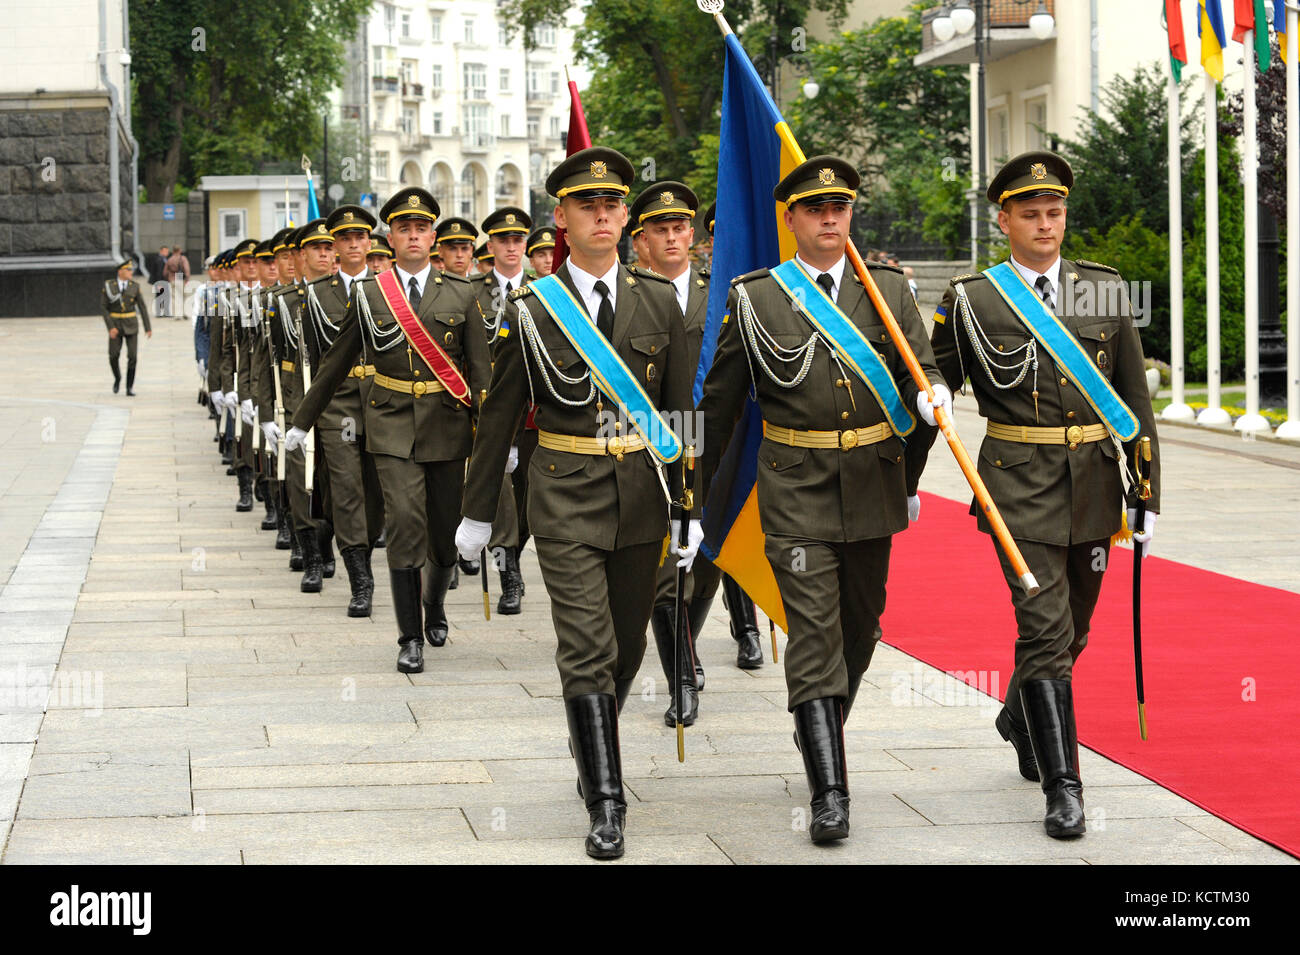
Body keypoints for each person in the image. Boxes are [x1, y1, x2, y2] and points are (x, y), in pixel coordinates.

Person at [455, 147, 695, 860]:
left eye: (612, 205)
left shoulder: (658, 299)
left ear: (625, 216)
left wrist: (690, 504)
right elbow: (499, 413)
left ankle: (589, 731)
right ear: (560, 218)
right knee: (586, 645)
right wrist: (477, 512)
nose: (601, 215)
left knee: (623, 644)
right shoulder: (531, 306)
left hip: (642, 499)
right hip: (561, 494)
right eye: (586, 205)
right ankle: (608, 800)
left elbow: (681, 412)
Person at [696, 156, 942, 844]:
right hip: (794, 484)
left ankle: (819, 724)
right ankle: (830, 790)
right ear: (791, 218)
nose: (830, 218)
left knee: (859, 630)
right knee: (812, 631)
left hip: (872, 482)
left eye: (840, 207)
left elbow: (920, 368)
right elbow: (719, 405)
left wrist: (931, 396)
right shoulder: (755, 297)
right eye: (815, 209)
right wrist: (691, 495)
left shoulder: (885, 286)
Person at [914, 151, 1160, 839]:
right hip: (1017, 487)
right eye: (1030, 213)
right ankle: (1064, 788)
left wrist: (1146, 489)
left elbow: (1135, 397)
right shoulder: (973, 299)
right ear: (1004, 219)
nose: (1045, 224)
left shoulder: (1101, 289)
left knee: (1075, 628)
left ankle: (1018, 714)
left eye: (1054, 211)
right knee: (1045, 629)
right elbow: (936, 377)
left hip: (1095, 483)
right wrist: (920, 424)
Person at [286, 188, 491, 674]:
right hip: (391, 425)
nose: (413, 236)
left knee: (443, 536)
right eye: (404, 228)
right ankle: (409, 636)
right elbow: (335, 363)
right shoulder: (372, 294)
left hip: (446, 428)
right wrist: (302, 420)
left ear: (434, 238)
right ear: (391, 237)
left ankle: (435, 606)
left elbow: (481, 374)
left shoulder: (462, 293)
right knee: (404, 523)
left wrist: (492, 440)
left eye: (422, 228)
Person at [469, 206, 534, 615]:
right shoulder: (469, 291)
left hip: (533, 415)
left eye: (517, 240)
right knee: (504, 497)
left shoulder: (546, 291)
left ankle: (515, 550)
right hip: (488, 410)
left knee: (531, 498)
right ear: (490, 245)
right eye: (503, 240)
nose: (511, 247)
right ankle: (509, 570)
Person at [101, 256, 151, 395]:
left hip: (131, 325)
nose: (131, 272)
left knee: (133, 356)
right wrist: (110, 327)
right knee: (113, 355)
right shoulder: (109, 286)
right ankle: (117, 378)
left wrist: (148, 327)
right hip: (115, 325)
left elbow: (142, 307)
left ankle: (129, 386)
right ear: (120, 271)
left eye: (131, 269)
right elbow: (104, 308)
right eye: (128, 270)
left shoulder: (134, 286)